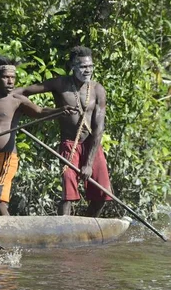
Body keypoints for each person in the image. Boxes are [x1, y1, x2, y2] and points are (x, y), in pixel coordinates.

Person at [0, 55, 75, 216]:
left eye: (13, 78)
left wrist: (60, 111)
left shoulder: (17, 100)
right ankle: (13, 237)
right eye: (6, 77)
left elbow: (39, 112)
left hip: (5, 157)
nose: (11, 81)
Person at [14, 46, 111, 217]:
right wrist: (6, 101)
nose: (87, 70)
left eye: (90, 66)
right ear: (72, 67)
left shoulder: (97, 89)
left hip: (92, 145)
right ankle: (64, 227)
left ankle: (87, 226)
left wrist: (88, 164)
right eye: (83, 67)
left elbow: (99, 127)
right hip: (70, 144)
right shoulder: (60, 84)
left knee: (102, 196)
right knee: (68, 193)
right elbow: (22, 92)